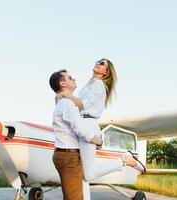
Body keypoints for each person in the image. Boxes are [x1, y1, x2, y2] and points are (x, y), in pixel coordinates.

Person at [57, 59, 145, 200]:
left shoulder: (99, 84)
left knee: (88, 174)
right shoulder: (89, 84)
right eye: (98, 61)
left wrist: (67, 95)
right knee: (82, 174)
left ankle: (123, 160)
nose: (98, 63)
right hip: (81, 123)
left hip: (88, 125)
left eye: (102, 64)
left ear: (106, 72)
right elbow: (75, 106)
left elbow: (83, 104)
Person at [49, 69, 103, 200]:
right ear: (62, 83)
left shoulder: (64, 102)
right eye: (70, 77)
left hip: (66, 154)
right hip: (69, 156)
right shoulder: (67, 104)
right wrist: (97, 140)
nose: (74, 79)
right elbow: (78, 127)